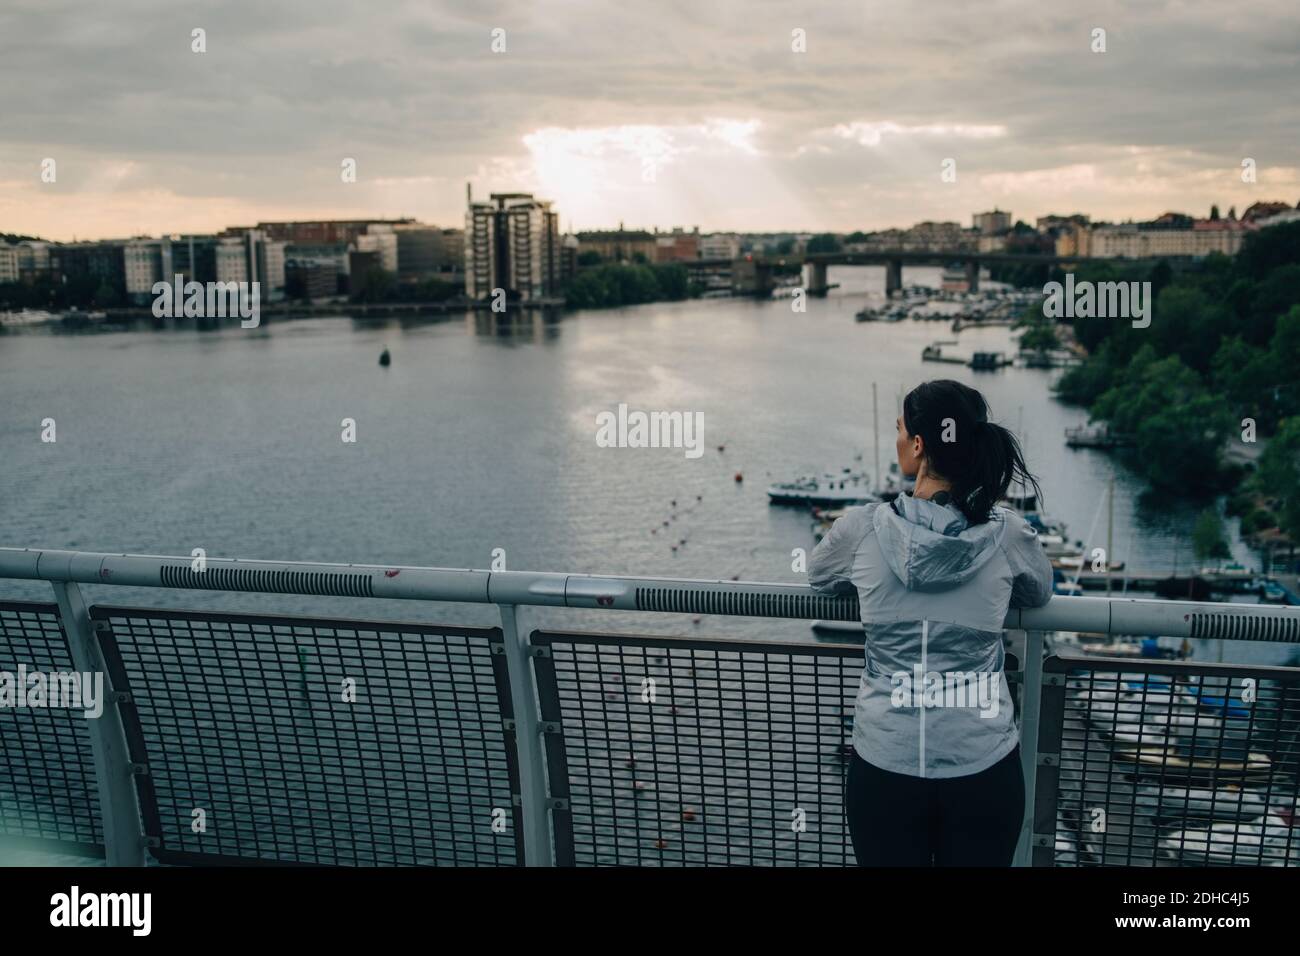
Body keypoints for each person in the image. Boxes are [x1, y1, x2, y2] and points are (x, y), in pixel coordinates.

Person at [808, 379, 1053, 866]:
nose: (898, 438)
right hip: (981, 762)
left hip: (885, 761)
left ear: (918, 446)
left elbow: (820, 576)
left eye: (900, 429)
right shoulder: (1007, 536)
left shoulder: (862, 529)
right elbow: (1038, 592)